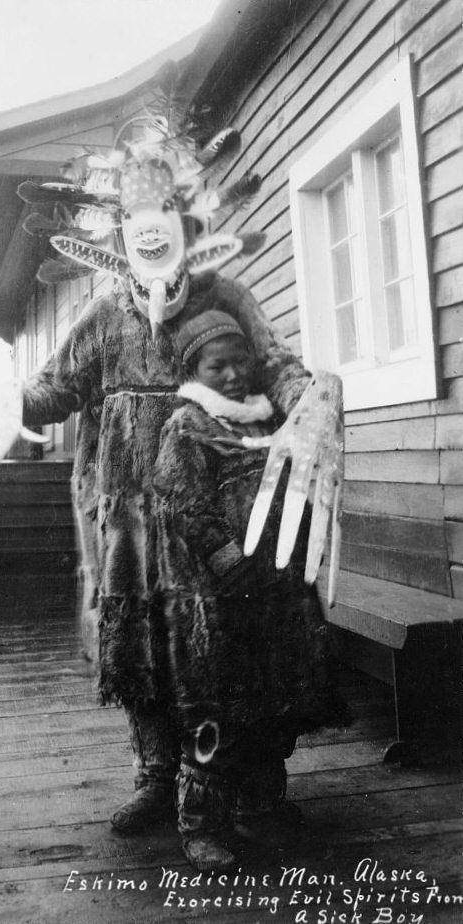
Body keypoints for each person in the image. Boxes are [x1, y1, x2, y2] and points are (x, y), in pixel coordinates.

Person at [0, 113, 343, 841]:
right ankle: (157, 778)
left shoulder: (227, 298)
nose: (151, 233)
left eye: (165, 216)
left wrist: (321, 398)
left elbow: (282, 371)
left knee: (237, 646)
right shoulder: (102, 315)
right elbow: (54, 388)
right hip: (128, 525)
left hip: (221, 516)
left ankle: (252, 786)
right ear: (118, 231)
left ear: (187, 217)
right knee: (143, 650)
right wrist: (10, 397)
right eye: (136, 220)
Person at [153, 310, 346, 871]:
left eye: (242, 362)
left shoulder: (272, 421)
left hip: (279, 587)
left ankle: (262, 805)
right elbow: (181, 500)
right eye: (220, 365)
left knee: (276, 701)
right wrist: (224, 555)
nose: (235, 375)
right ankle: (202, 823)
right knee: (220, 707)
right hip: (221, 593)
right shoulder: (188, 425)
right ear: (196, 370)